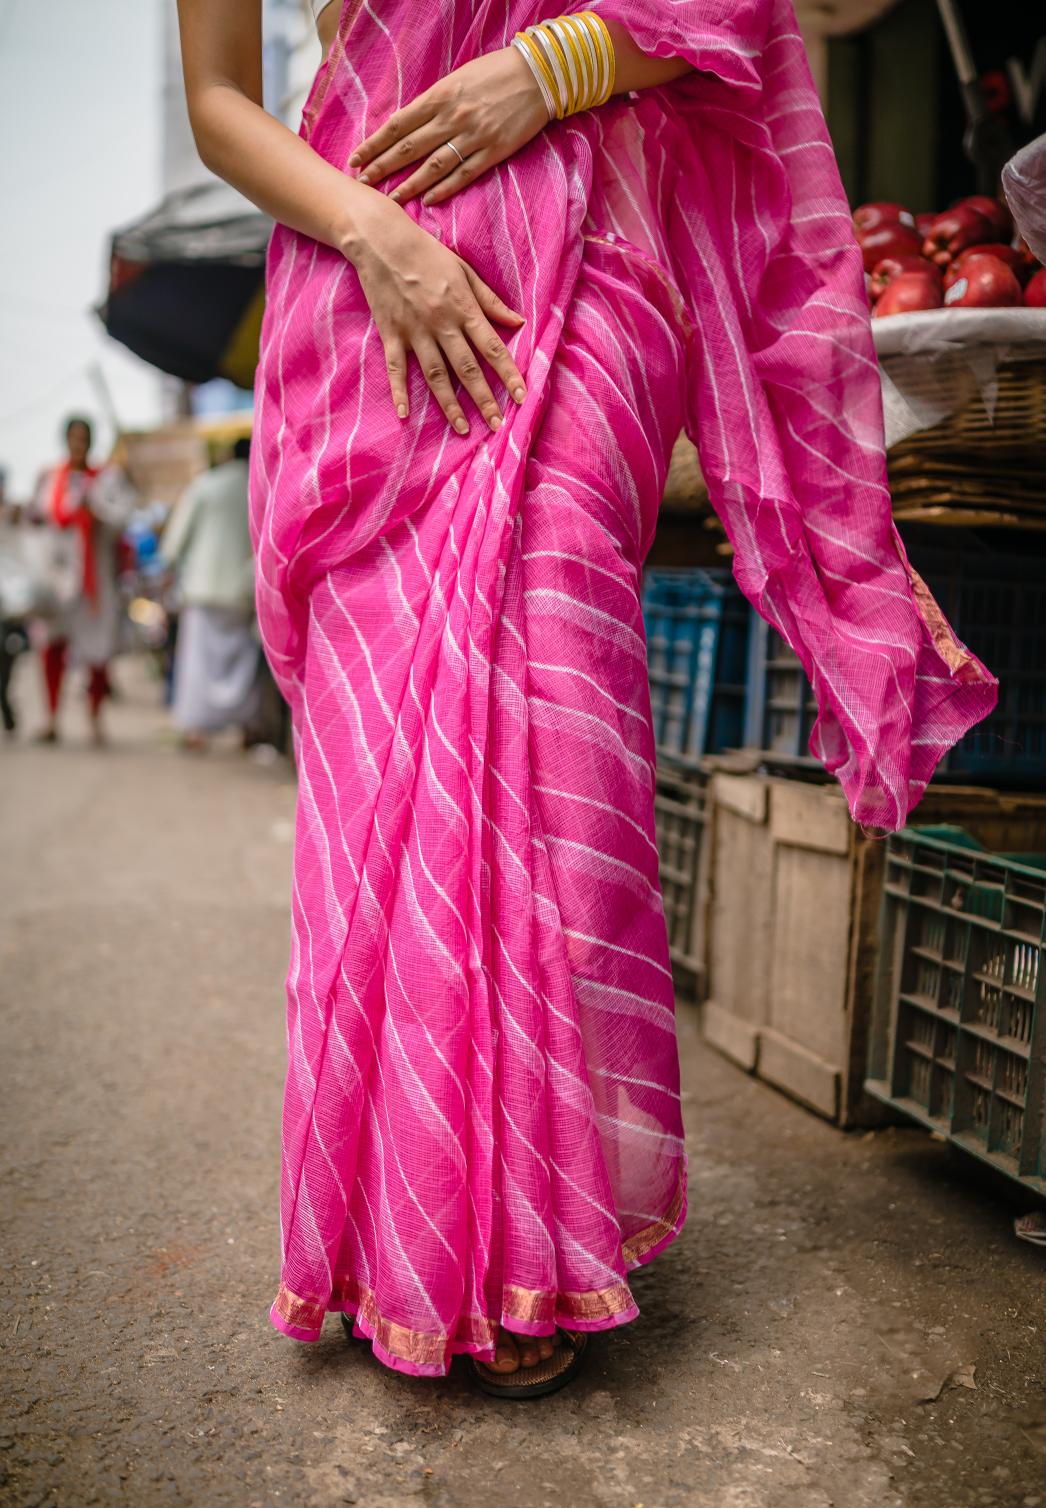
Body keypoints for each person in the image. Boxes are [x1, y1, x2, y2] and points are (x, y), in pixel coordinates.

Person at [177, 0, 997, 1395]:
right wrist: (382, 240)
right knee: (391, 761)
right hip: (358, 269)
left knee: (556, 734)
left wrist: (554, 65)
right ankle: (418, 1233)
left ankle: (540, 1235)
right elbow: (216, 101)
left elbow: (743, 9)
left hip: (585, 264)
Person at [33, 417, 132, 746]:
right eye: (73, 438)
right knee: (52, 647)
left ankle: (95, 720)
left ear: (90, 442)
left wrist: (97, 509)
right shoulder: (49, 478)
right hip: (59, 578)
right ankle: (51, 718)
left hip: (96, 581)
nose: (78, 445)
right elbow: (41, 519)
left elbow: (121, 522)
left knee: (97, 651)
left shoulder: (106, 479)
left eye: (83, 439)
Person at [161, 437, 260, 750]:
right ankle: (247, 727)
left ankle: (196, 731)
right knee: (243, 661)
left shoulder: (206, 485)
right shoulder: (263, 486)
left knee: (199, 663)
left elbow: (174, 542)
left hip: (204, 588)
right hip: (245, 590)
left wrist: (170, 566)